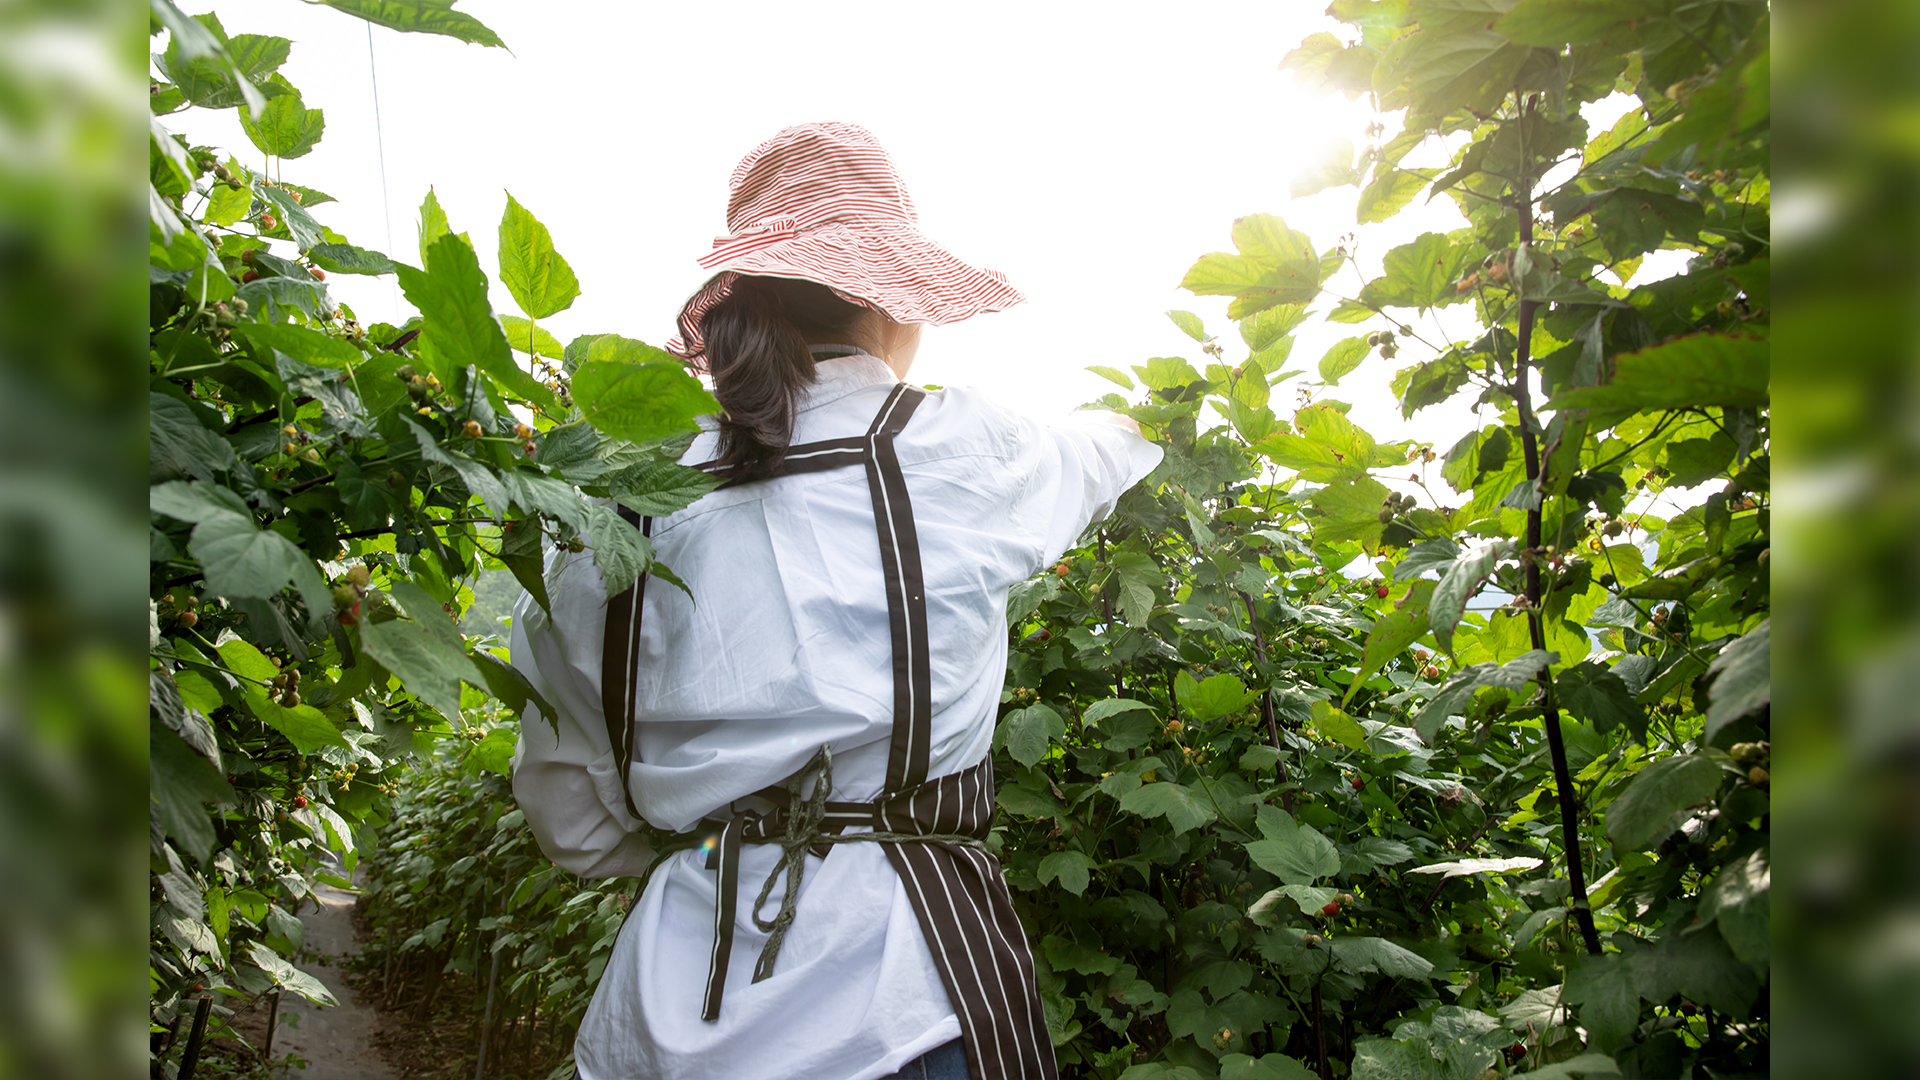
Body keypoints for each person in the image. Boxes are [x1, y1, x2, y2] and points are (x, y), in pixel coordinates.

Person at [509, 122, 1162, 1080]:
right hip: (902, 993)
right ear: (896, 297)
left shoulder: (615, 506)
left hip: (674, 1000)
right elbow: (1111, 448)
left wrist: (716, 844)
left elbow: (568, 812)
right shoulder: (962, 450)